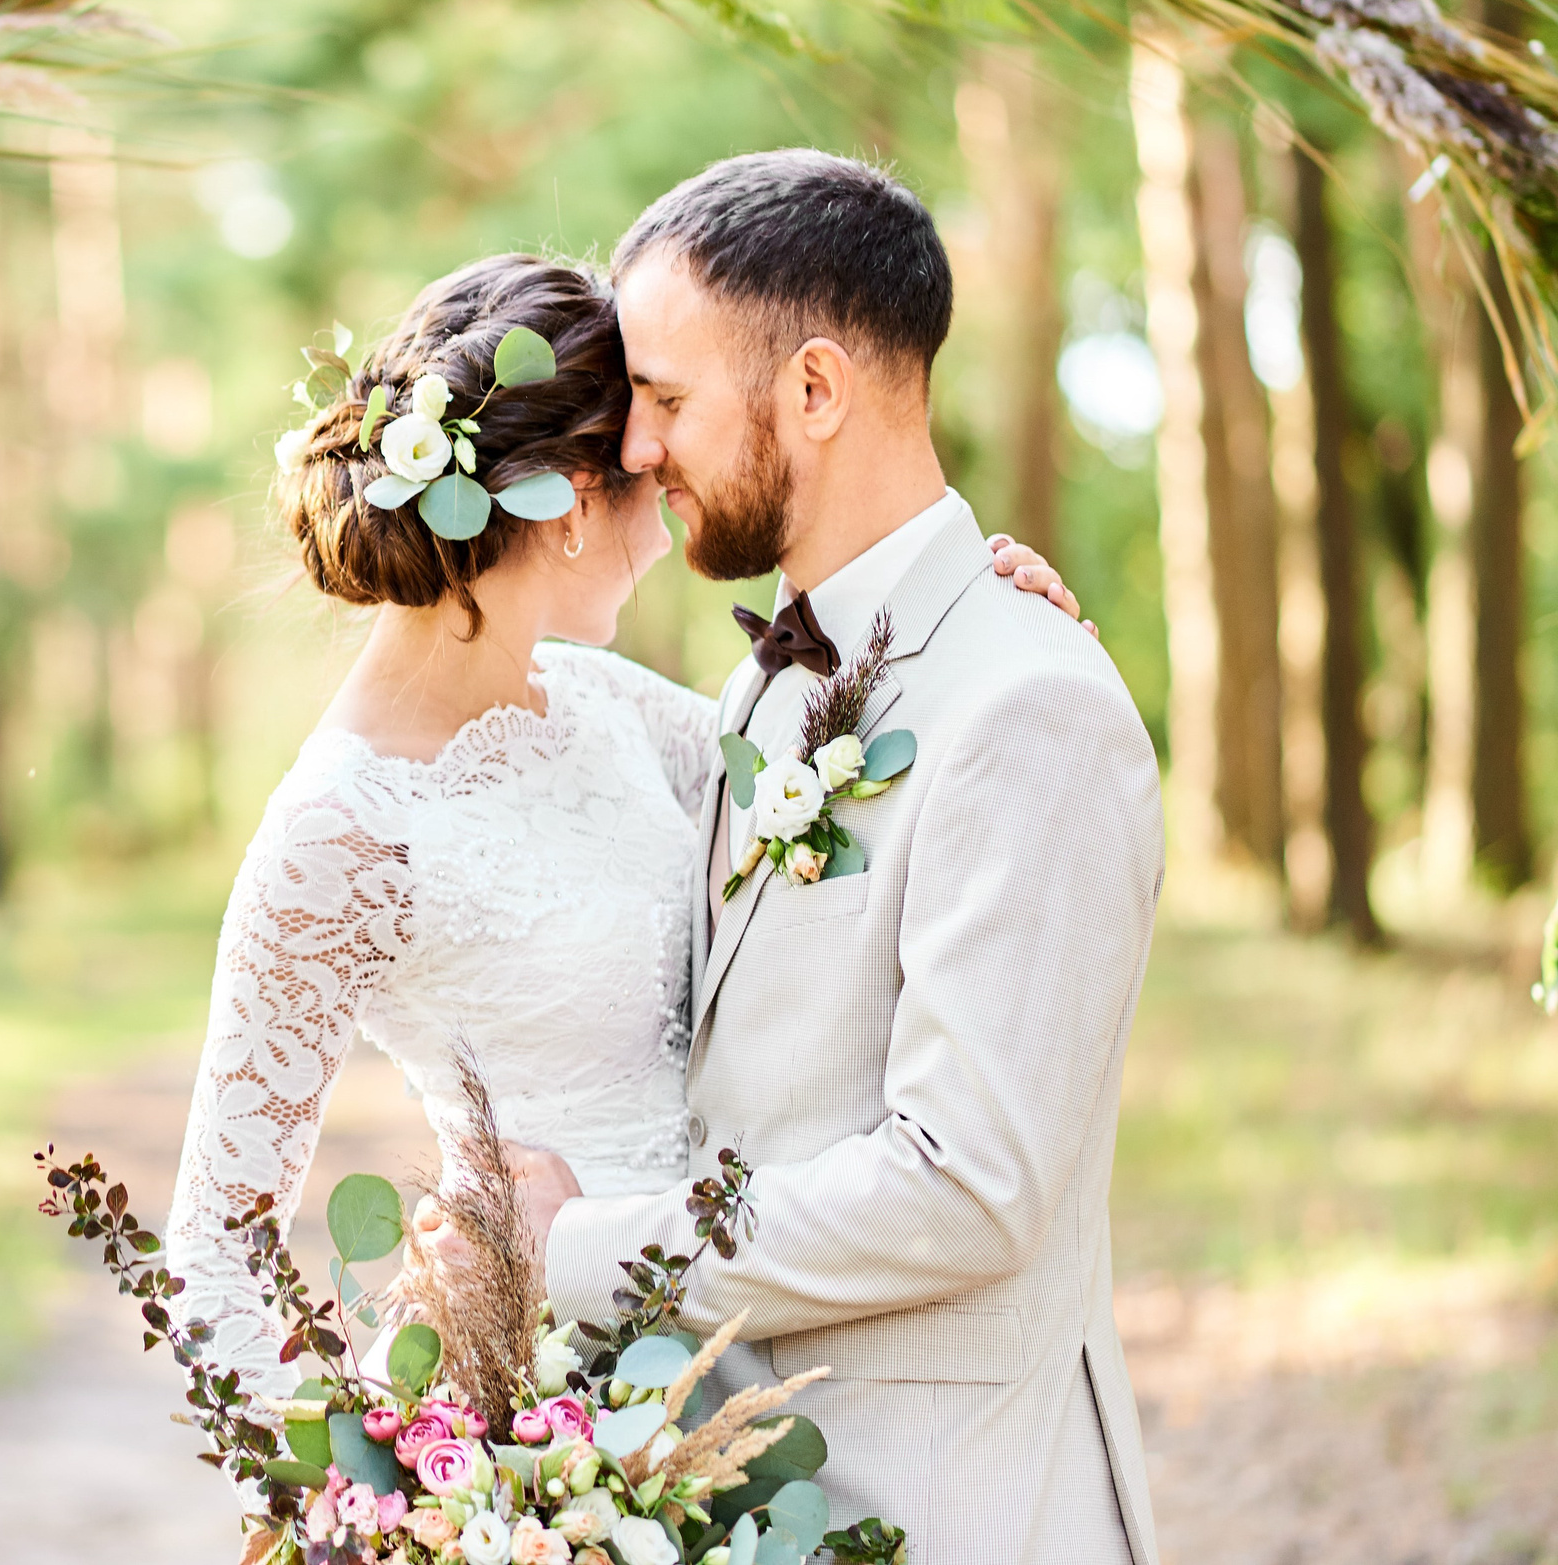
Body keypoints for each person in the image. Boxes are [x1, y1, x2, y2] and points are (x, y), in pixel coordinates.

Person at [161, 247, 1085, 1445]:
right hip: (558, 1417)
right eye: (644, 460)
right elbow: (214, 1246)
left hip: (760, 1335)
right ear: (566, 499)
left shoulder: (614, 710)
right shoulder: (336, 833)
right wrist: (347, 1502)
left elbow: (858, 817)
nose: (669, 491)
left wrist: (989, 642)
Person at [424, 151, 1164, 1565]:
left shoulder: (1030, 704)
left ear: (815, 392)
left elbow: (967, 1182)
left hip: (958, 1507)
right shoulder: (768, 682)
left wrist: (569, 1247)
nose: (633, 450)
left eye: (667, 399)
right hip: (751, 1493)